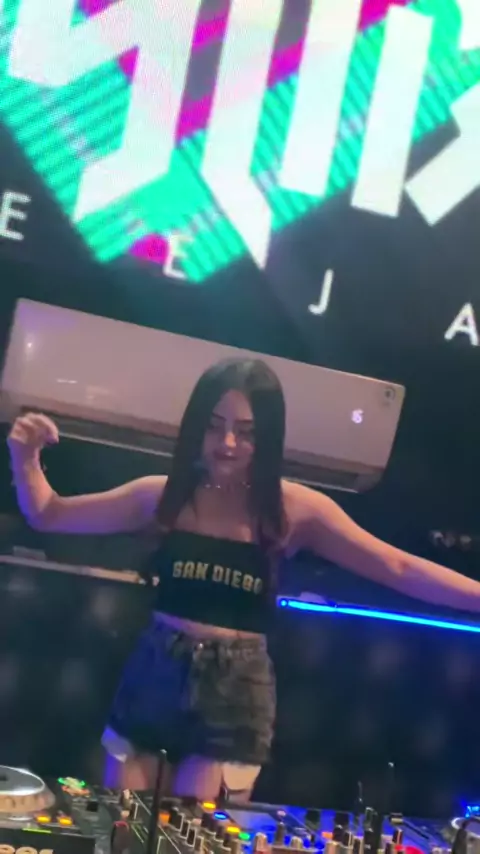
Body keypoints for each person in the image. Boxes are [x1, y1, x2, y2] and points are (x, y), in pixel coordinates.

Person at [7, 358, 480, 800]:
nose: (228, 443)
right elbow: (49, 513)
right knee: (124, 829)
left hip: (233, 695)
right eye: (214, 426)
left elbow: (397, 567)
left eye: (246, 432)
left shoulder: (294, 509)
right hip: (153, 676)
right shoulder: (164, 496)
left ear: (269, 438)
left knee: (195, 839)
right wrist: (25, 456)